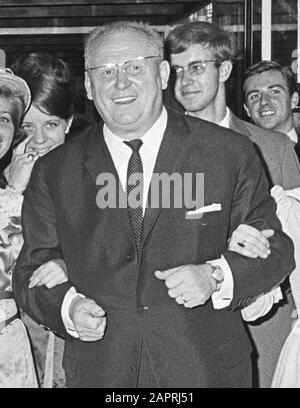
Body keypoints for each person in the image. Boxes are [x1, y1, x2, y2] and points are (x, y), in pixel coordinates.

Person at [12, 21, 295, 388]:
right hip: (102, 373)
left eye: (134, 67)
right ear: (88, 86)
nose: (121, 83)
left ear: (162, 73)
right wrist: (67, 308)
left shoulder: (228, 153)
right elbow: (30, 272)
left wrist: (215, 276)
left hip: (206, 371)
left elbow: (276, 249)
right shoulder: (54, 171)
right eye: (107, 71)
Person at [165, 21, 300, 388]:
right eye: (177, 70)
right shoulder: (158, 150)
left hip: (261, 333)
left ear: (224, 70)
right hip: (183, 334)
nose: (185, 81)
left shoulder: (275, 150)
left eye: (196, 67)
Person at [6, 52, 75, 388]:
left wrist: (69, 263)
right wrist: (14, 191)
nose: (40, 139)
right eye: (27, 127)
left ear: (69, 124)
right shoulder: (7, 184)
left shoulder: (93, 179)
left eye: (51, 124)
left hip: (69, 340)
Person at [0, 67, 38, 387]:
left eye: (4, 119)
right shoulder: (12, 194)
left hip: (10, 345)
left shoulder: (14, 189)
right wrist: (13, 195)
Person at [243, 60, 300, 162]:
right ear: (247, 109)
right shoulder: (237, 153)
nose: (264, 101)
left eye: (274, 92)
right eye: (255, 96)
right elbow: (204, 176)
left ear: (294, 100)